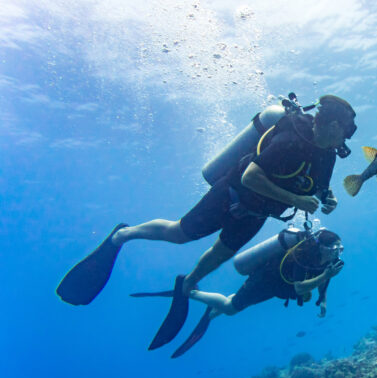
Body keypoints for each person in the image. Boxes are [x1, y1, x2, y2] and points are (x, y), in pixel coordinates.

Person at [57, 95, 356, 348]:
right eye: (347, 130)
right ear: (333, 125)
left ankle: (189, 283)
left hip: (258, 212)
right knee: (179, 233)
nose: (347, 138)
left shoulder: (327, 155)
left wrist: (328, 199)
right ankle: (123, 235)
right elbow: (249, 177)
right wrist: (296, 201)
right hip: (230, 194)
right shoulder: (290, 138)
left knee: (221, 254)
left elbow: (318, 187)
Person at [133, 229, 345, 358]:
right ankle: (189, 291)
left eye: (339, 249)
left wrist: (322, 299)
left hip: (278, 287)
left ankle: (213, 309)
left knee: (233, 305)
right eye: (334, 248)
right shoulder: (302, 255)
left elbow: (325, 278)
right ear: (321, 247)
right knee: (231, 308)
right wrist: (326, 275)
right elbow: (301, 286)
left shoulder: (330, 260)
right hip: (265, 280)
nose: (337, 252)